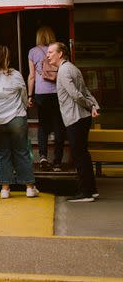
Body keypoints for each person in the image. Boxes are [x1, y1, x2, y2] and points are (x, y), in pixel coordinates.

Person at [0, 45, 38, 199]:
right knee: (22, 152)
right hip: (16, 117)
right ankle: (29, 187)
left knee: (2, 153)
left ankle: (5, 189)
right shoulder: (15, 75)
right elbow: (23, 94)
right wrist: (25, 107)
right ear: (7, 58)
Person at [46, 42, 100, 202]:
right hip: (82, 117)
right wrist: (94, 105)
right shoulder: (73, 68)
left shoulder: (63, 70)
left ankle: (86, 193)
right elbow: (85, 90)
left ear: (60, 54)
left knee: (79, 155)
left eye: (50, 52)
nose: (47, 55)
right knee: (83, 154)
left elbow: (76, 94)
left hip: (75, 118)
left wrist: (91, 105)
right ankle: (92, 189)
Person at [27, 26, 65, 172]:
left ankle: (43, 156)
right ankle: (57, 162)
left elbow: (31, 76)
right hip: (57, 91)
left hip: (41, 93)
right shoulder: (57, 50)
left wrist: (30, 95)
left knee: (43, 125)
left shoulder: (33, 51)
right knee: (58, 125)